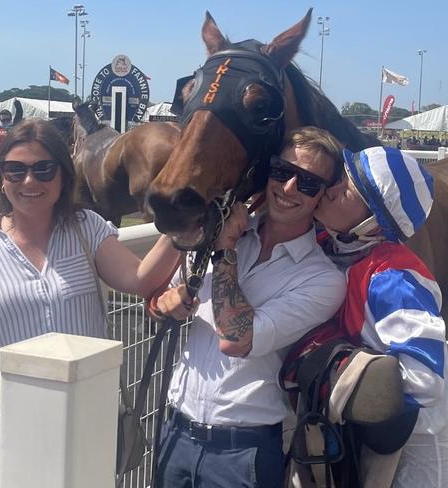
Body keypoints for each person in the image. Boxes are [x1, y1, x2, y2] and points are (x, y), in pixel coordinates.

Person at [153, 126, 347, 488]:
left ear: (322, 195)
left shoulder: (323, 279)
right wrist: (167, 303)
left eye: (307, 183)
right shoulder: (226, 229)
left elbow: (236, 338)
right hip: (176, 432)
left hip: (242, 455)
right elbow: (164, 296)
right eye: (283, 172)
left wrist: (226, 248)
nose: (289, 188)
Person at [286, 145, 448, 487]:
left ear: (372, 223)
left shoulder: (395, 278)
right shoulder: (331, 244)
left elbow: (425, 381)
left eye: (347, 189)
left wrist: (333, 375)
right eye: (343, 178)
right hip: (355, 433)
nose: (330, 190)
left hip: (408, 442)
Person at [0, 118, 181, 367]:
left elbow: (139, 279)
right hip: (8, 402)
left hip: (82, 399)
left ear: (63, 176)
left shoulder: (87, 228)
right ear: (1, 178)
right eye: (15, 170)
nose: (29, 181)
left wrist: (183, 224)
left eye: (44, 170)